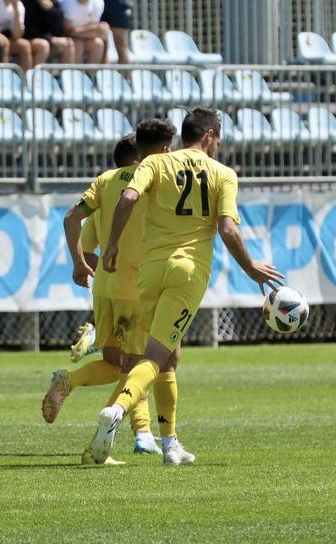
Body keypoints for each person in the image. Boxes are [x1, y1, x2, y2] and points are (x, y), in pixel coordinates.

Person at [88, 109, 285, 466]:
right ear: (209, 136)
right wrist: (251, 267)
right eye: (219, 138)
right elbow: (227, 228)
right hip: (187, 273)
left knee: (166, 357)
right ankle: (116, 411)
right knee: (157, 356)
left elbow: (129, 198)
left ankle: (170, 444)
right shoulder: (223, 174)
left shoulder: (157, 162)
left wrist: (113, 244)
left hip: (149, 272)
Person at [44, 132, 164, 461]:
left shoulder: (105, 184)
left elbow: (74, 225)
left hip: (105, 290)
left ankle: (69, 380)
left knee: (115, 365)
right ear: (142, 158)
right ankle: (106, 438)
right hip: (136, 290)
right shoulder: (148, 185)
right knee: (140, 368)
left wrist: (80, 265)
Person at [0, 0, 48, 70]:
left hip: (3, 39)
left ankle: (25, 79)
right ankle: (3, 77)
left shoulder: (19, 6)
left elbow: (17, 35)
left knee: (24, 45)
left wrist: (16, 10)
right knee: (3, 42)